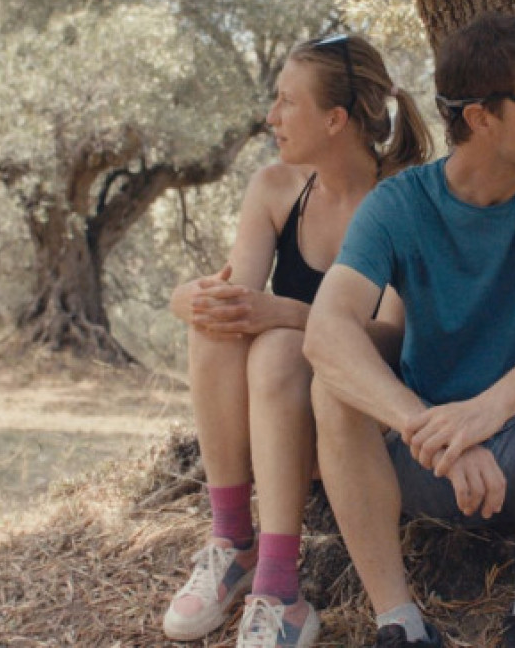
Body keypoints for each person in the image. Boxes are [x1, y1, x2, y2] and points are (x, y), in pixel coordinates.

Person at [303, 13, 515, 648]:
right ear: (483, 117)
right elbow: (325, 331)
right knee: (333, 384)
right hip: (426, 456)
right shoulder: (399, 203)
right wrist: (432, 431)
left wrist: (489, 410)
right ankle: (398, 622)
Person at [162, 34, 432, 647]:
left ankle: (281, 589)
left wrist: (283, 311)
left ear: (335, 119)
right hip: (279, 422)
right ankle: (233, 542)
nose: (272, 117)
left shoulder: (404, 197)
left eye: (288, 101)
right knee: (217, 327)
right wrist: (190, 299)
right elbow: (233, 301)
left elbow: (390, 338)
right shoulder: (276, 188)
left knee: (280, 344)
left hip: (366, 418)